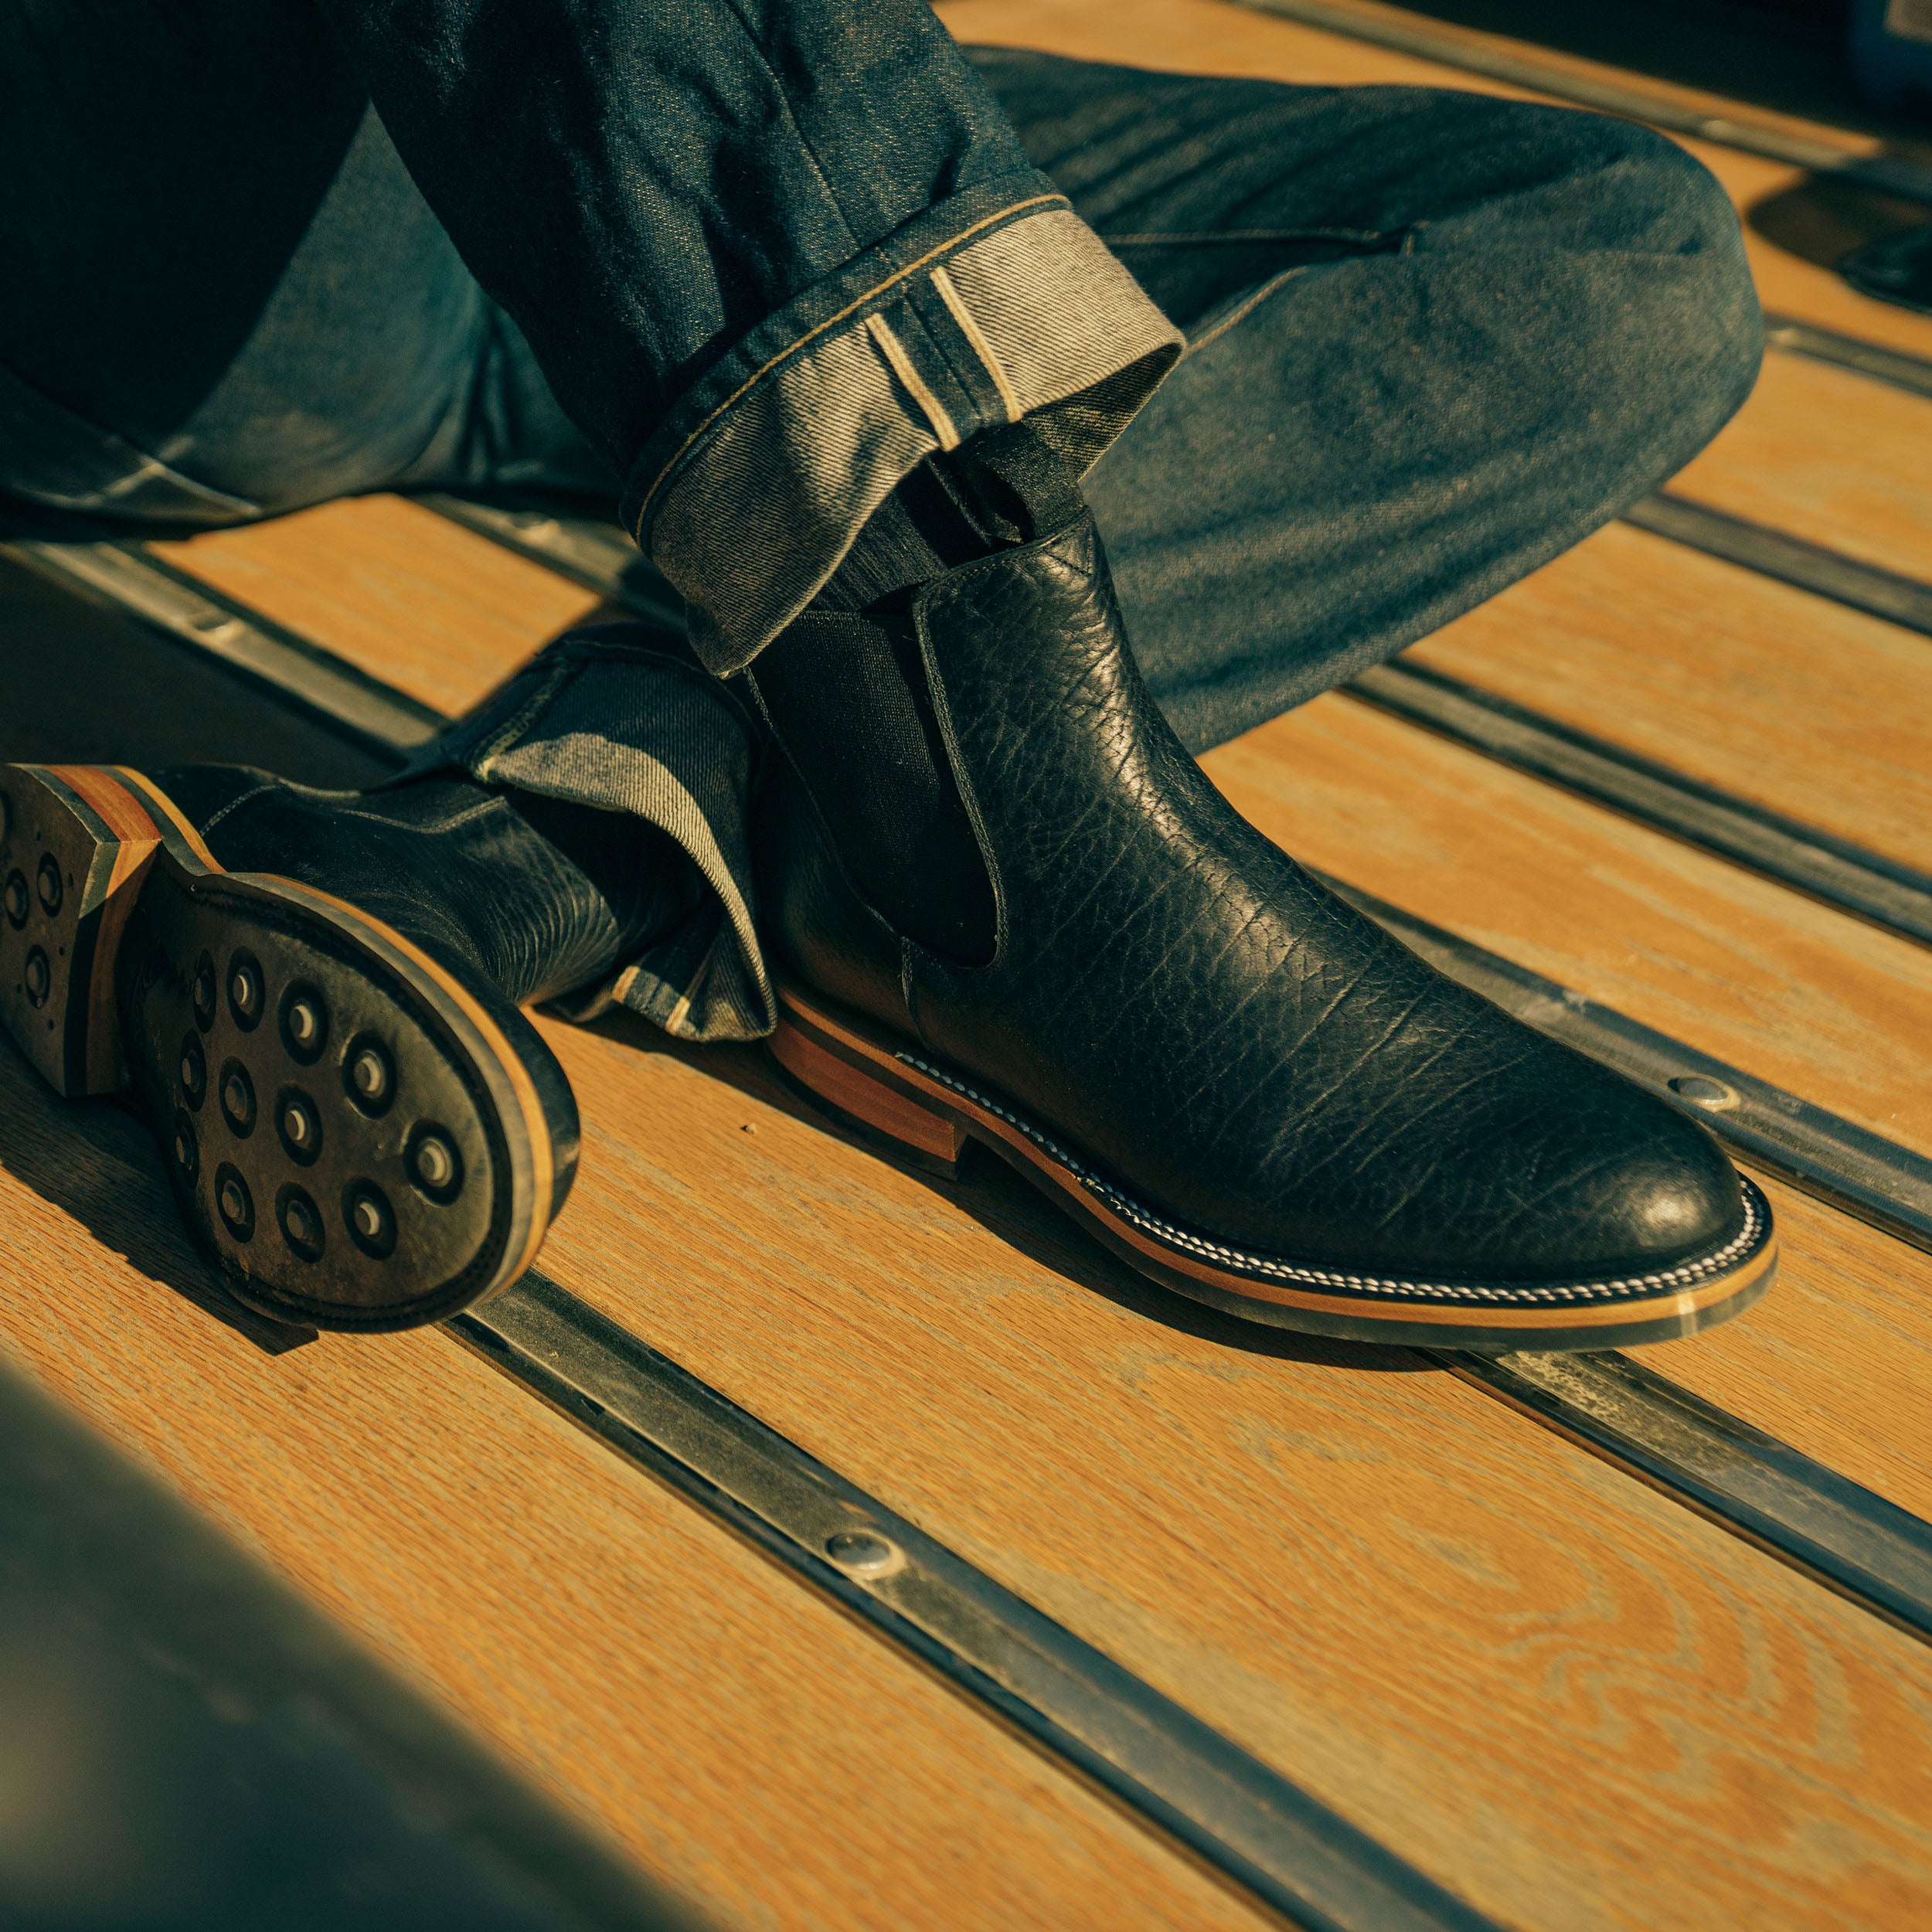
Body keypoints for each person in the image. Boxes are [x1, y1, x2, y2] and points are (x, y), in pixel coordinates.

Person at [0, 0, 1776, 1345]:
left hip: (591, 107)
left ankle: (542, 843)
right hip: (192, 250)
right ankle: (941, 762)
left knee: (1614, 250)